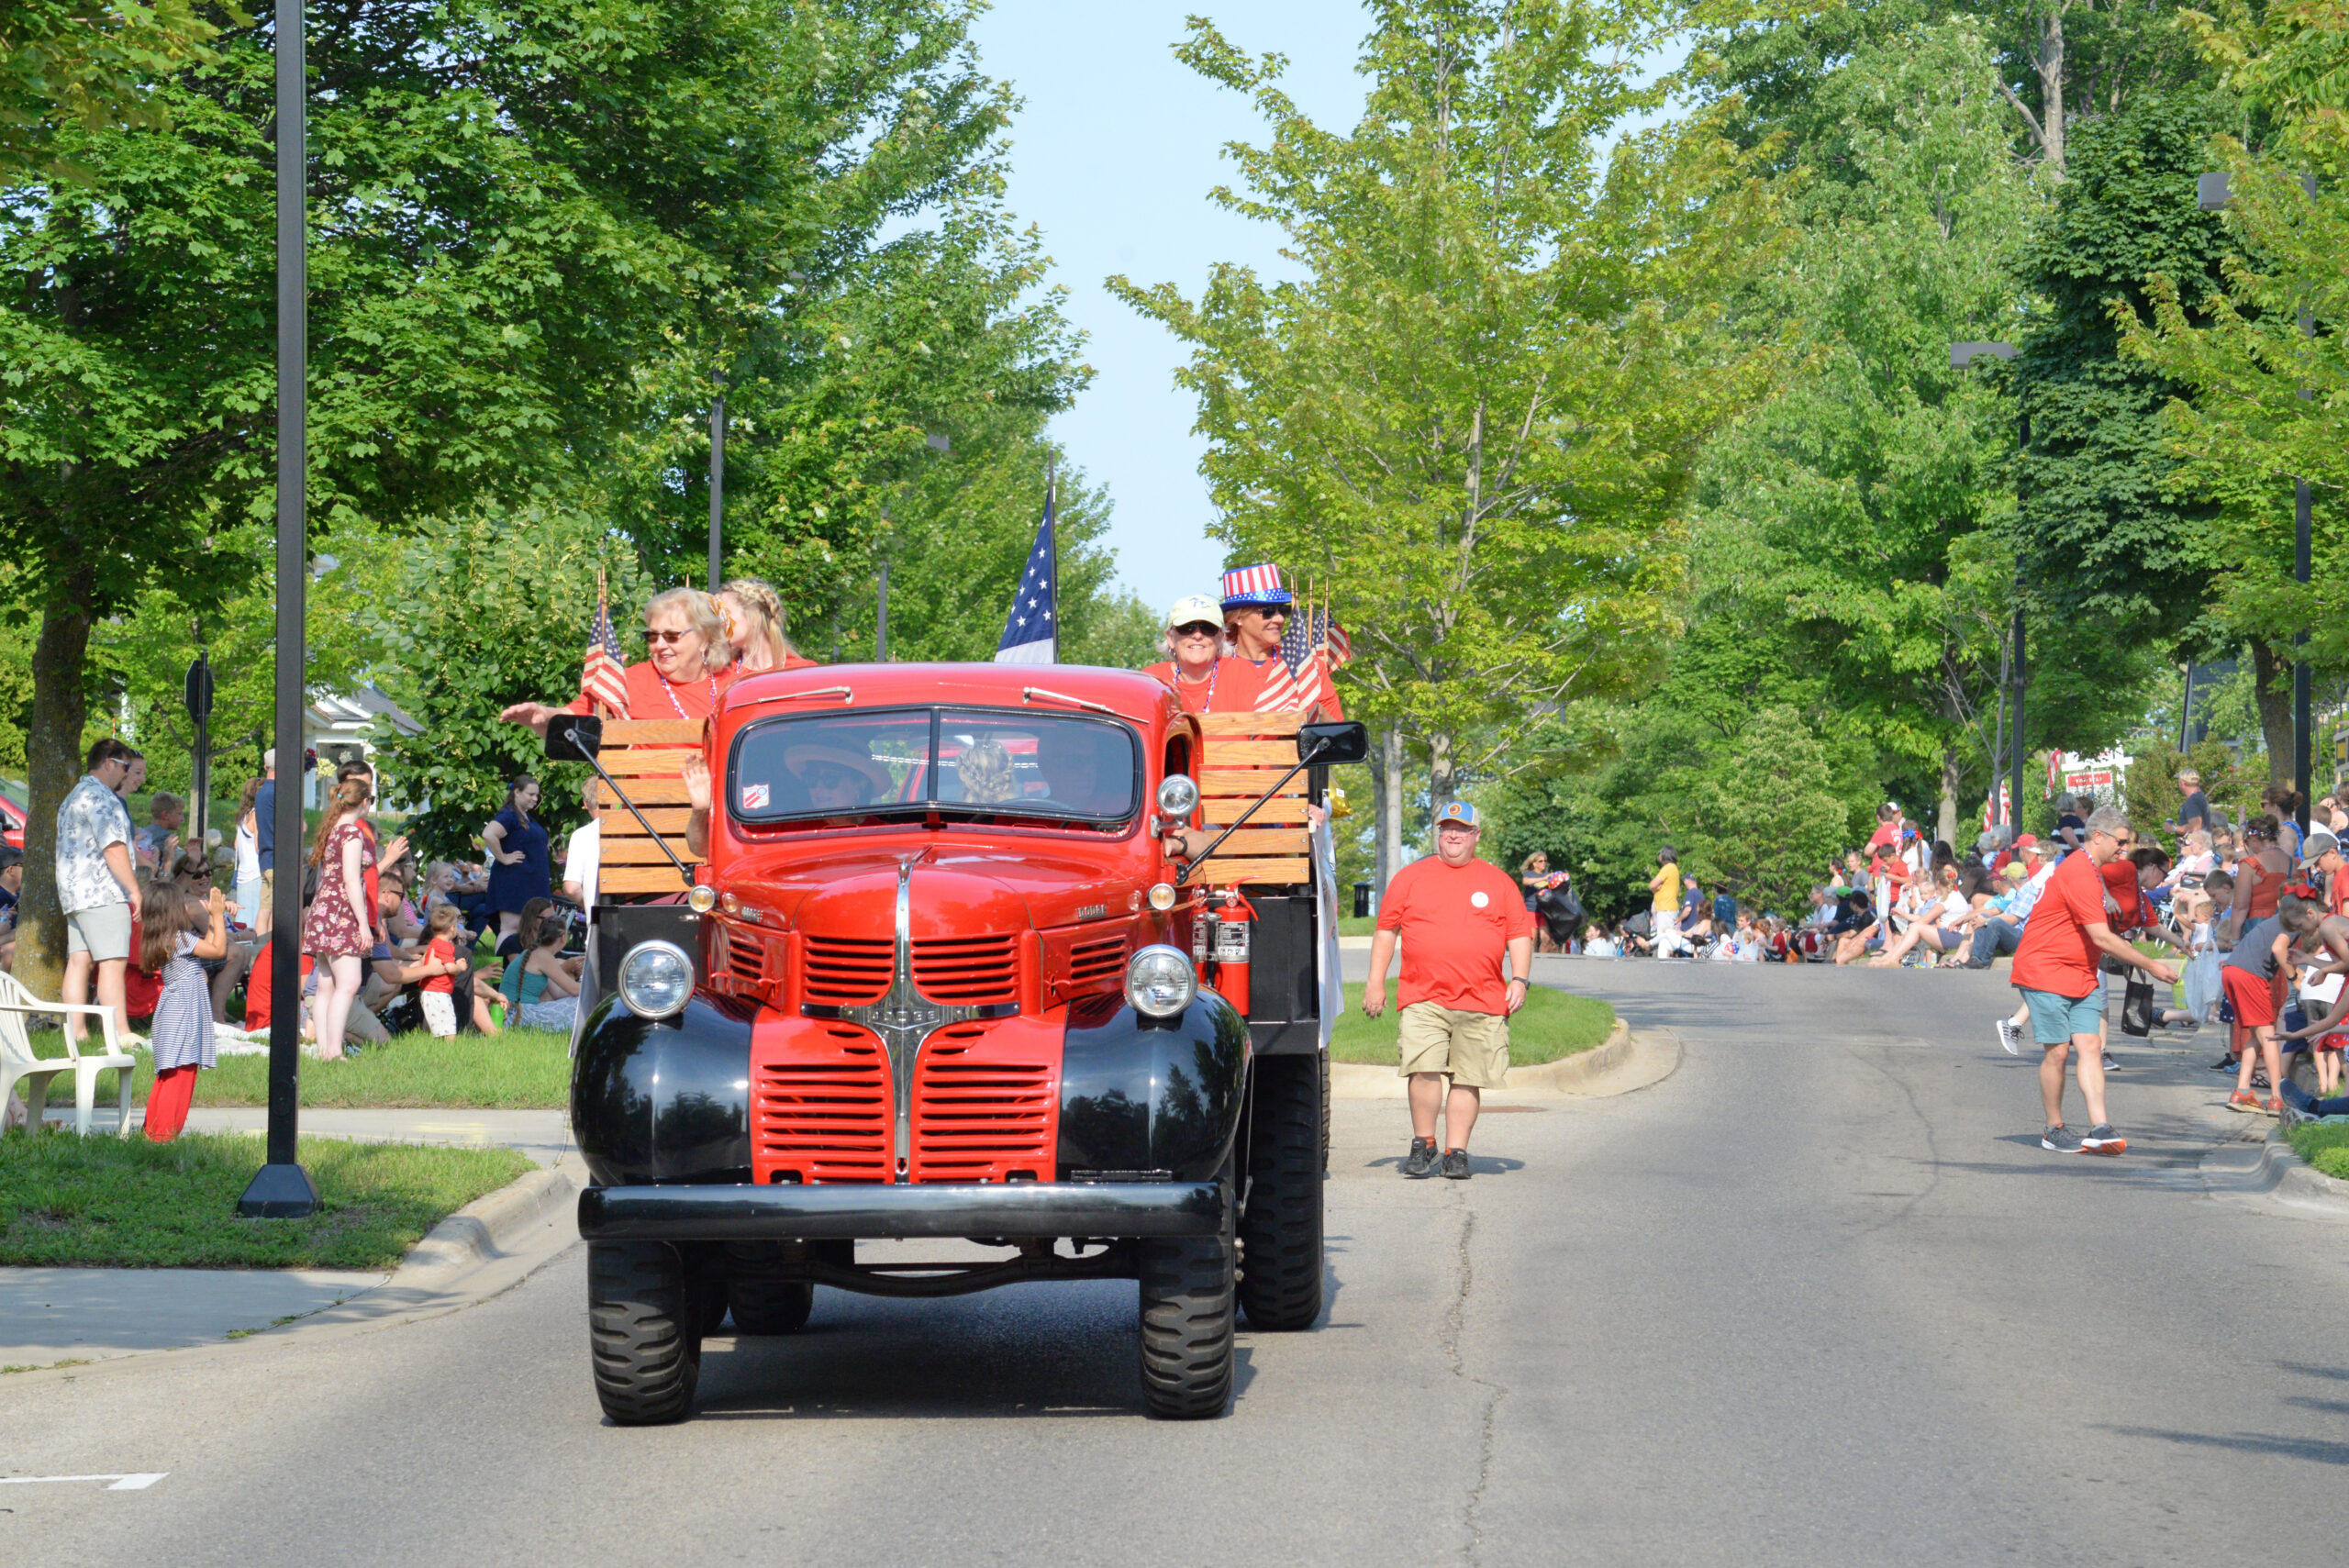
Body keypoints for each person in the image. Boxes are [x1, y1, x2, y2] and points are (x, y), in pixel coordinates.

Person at [1362, 801, 1534, 1181]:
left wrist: (1519, 979)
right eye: (1446, 828)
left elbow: (1519, 934)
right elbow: (1386, 930)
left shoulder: (1498, 882)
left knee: (1468, 1077)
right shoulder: (1411, 877)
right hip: (1423, 996)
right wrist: (1376, 982)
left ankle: (1457, 1152)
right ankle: (1424, 1143)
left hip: (1484, 999)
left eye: (1461, 829)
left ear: (1476, 835)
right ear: (1439, 834)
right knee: (1422, 1068)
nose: (1452, 835)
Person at [2008, 806, 2177, 1156]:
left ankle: (2100, 1127)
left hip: (2080, 973)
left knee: (2090, 1048)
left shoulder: (2092, 870)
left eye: (2127, 843)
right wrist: (2153, 964)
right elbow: (2101, 937)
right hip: (2045, 970)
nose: (2124, 849)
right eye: (2120, 841)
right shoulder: (2079, 871)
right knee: (2057, 1052)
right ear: (2097, 836)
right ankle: (2053, 1129)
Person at [502, 585, 738, 733]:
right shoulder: (628, 681)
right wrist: (542, 716)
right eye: (652, 636)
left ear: (705, 638)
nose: (660, 645)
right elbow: (573, 718)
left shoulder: (738, 685)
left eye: (671, 636)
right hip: (649, 809)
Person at [57, 738, 141, 1048]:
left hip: (75, 894)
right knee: (113, 963)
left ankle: (76, 1032)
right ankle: (119, 1032)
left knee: (79, 961)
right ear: (110, 763)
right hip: (103, 892)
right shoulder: (103, 799)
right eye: (126, 766)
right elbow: (114, 847)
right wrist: (134, 889)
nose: (127, 773)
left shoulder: (74, 796)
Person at [139, 877, 228, 1141]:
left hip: (173, 1012)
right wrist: (219, 915)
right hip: (184, 1014)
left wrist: (214, 917)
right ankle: (165, 1135)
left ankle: (153, 1130)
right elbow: (219, 949)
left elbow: (209, 945)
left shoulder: (164, 937)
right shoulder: (179, 938)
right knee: (181, 1073)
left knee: (169, 1072)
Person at [300, 775, 377, 1062]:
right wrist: (361, 922)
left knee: (325, 985)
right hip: (341, 912)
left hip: (323, 909)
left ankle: (324, 1050)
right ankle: (333, 1050)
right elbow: (351, 881)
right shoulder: (352, 834)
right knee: (348, 983)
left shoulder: (332, 829)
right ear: (365, 802)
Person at [2224, 891, 2322, 1114]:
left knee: (2257, 1035)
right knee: (2269, 1036)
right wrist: (2294, 978)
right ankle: (2277, 1098)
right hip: (2251, 975)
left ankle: (2242, 1091)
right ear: (2307, 913)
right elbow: (2278, 949)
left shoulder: (2277, 920)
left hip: (2233, 970)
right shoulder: (2291, 924)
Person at [1206, 565, 1344, 720]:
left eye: (1282, 610)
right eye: (1268, 611)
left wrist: (1313, 712)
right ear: (1237, 617)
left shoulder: (1308, 667)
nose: (1279, 619)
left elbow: (1339, 733)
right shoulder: (1213, 670)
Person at [483, 774, 551, 940]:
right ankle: (508, 967)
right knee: (511, 928)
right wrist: (503, 857)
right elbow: (489, 834)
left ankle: (527, 966)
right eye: (531, 794)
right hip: (514, 882)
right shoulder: (509, 815)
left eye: (537, 795)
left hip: (532, 883)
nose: (535, 799)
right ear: (517, 792)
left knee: (535, 929)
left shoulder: (525, 816)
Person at [1142, 595, 1229, 713]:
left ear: (1220, 637)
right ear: (1171, 638)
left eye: (1207, 628)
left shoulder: (1243, 675)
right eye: (1187, 628)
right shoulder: (1151, 681)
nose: (1197, 635)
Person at [717, 577, 817, 677]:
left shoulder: (803, 673)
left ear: (754, 617)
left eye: (725, 613)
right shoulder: (720, 676)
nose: (718, 621)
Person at [502, 919, 583, 1031]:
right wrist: (596, 986)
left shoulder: (535, 952)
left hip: (513, 1012)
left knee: (577, 1000)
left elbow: (557, 993)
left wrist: (578, 982)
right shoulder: (543, 956)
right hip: (521, 1014)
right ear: (563, 938)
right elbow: (574, 989)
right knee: (580, 1004)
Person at [562, 777, 603, 910]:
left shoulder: (581, 836)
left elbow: (572, 889)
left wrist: (587, 904)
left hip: (602, 922)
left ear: (585, 804)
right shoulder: (635, 831)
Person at [252, 749, 279, 934]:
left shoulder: (261, 793)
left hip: (265, 858)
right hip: (279, 860)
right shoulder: (280, 793)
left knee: (265, 909)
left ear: (265, 767)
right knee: (277, 912)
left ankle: (262, 950)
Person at [136, 791, 184, 873]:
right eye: (179, 814)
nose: (182, 819)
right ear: (165, 815)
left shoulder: (144, 832)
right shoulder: (165, 838)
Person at [1648, 847, 1684, 958]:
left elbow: (1652, 884)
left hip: (1666, 908)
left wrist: (1655, 888)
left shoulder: (1668, 868)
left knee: (1664, 937)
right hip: (1666, 907)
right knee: (1666, 936)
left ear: (1664, 855)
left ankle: (1663, 961)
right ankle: (1664, 960)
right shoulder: (1673, 868)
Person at [2171, 769, 2214, 837]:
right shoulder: (2200, 796)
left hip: (2195, 846)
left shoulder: (2193, 801)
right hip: (2203, 844)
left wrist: (2173, 828)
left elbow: (2195, 828)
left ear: (2182, 783)